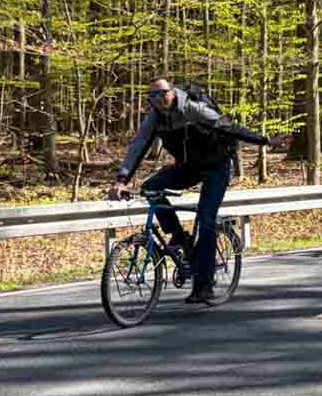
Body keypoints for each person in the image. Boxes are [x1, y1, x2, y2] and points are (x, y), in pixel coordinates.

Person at [109, 78, 282, 305]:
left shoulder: (192, 108)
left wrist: (265, 140)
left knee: (206, 219)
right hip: (188, 167)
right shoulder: (155, 118)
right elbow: (138, 147)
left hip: (217, 166)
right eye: (152, 95)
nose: (158, 99)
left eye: (162, 93)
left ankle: (205, 285)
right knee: (150, 188)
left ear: (172, 92)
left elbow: (229, 126)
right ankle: (180, 237)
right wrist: (122, 180)